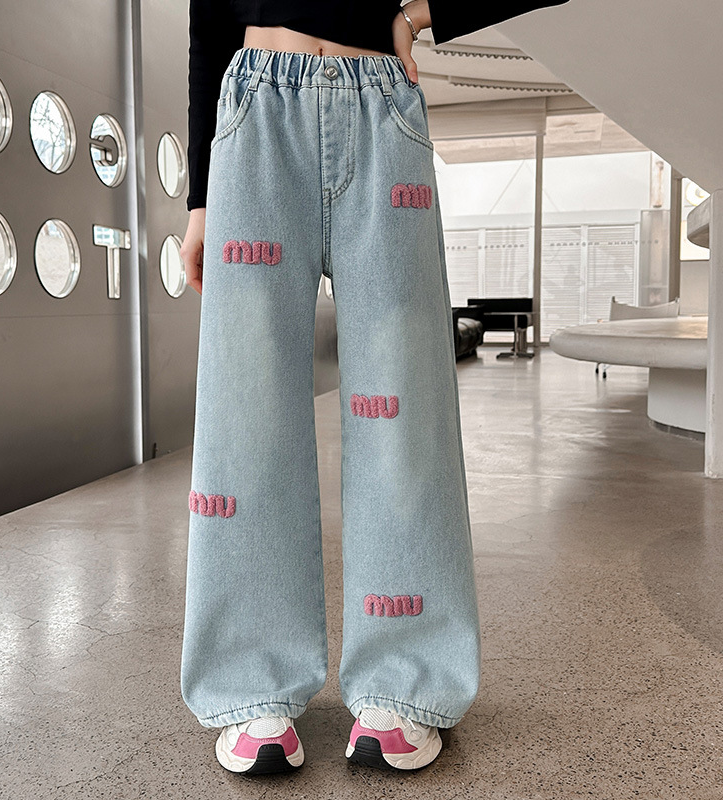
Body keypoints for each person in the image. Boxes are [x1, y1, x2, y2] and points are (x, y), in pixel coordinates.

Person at [179, 0, 569, 775]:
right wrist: (199, 199)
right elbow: (207, 22)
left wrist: (426, 11)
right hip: (255, 116)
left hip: (381, 110)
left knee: (405, 407)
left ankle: (405, 677)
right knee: (244, 409)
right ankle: (252, 683)